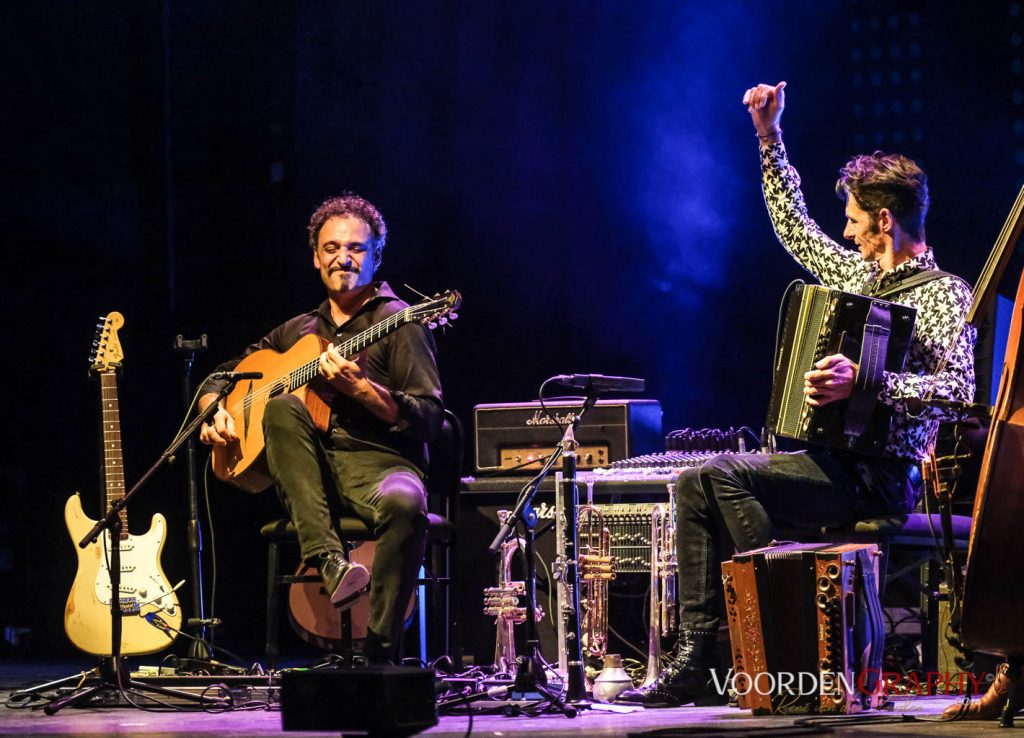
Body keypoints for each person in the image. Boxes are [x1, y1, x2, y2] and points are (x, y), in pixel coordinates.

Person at [617, 82, 977, 707]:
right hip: (831, 463)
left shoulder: (942, 293)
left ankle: (784, 641)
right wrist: (769, 137)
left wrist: (866, 381)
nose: (847, 230)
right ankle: (705, 655)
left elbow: (959, 392)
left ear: (884, 220)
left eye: (856, 220)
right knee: (693, 481)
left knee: (725, 475)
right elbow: (797, 230)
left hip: (880, 476)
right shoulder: (863, 275)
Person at [198, 193, 444, 664]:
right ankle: (332, 563)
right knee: (282, 409)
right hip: (308, 472)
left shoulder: (401, 322)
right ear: (316, 257)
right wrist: (214, 409)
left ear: (375, 256)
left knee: (407, 503)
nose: (342, 257)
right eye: (331, 248)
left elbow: (430, 418)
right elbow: (224, 376)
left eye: (355, 248)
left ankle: (380, 656)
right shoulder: (296, 331)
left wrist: (363, 391)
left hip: (379, 464)